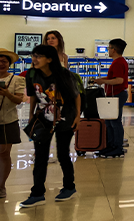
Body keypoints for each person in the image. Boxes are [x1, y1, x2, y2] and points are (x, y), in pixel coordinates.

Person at [20, 44, 81, 207]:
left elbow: (76, 96)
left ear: (49, 59)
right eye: (34, 56)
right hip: (43, 118)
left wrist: (77, 116)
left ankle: (69, 187)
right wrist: (31, 114)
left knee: (62, 154)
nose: (34, 59)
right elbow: (33, 95)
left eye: (38, 56)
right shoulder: (32, 74)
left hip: (65, 117)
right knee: (40, 156)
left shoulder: (64, 75)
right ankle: (37, 193)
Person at [94, 38, 128, 158]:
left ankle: (117, 147)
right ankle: (110, 145)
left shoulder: (118, 62)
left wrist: (102, 81)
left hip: (117, 94)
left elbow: (119, 80)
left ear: (114, 50)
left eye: (109, 48)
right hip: (114, 94)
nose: (108, 50)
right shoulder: (118, 62)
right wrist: (103, 80)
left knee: (114, 121)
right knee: (109, 121)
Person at [0, 48, 27, 201]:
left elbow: (19, 100)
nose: (1, 64)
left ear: (9, 64)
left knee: (4, 153)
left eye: (4, 61)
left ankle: (1, 185)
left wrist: (7, 94)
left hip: (8, 120)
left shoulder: (17, 80)